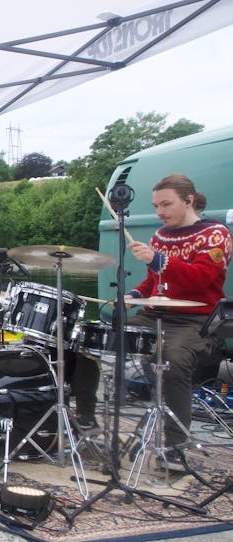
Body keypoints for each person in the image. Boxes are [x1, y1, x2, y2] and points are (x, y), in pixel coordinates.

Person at [76, 174, 230, 472]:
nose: (159, 211)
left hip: (197, 319)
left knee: (171, 361)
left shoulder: (215, 235)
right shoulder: (162, 235)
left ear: (189, 201)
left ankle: (175, 448)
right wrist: (135, 294)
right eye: (156, 205)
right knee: (92, 340)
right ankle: (85, 418)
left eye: (166, 204)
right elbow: (155, 280)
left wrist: (158, 261)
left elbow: (202, 278)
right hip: (157, 313)